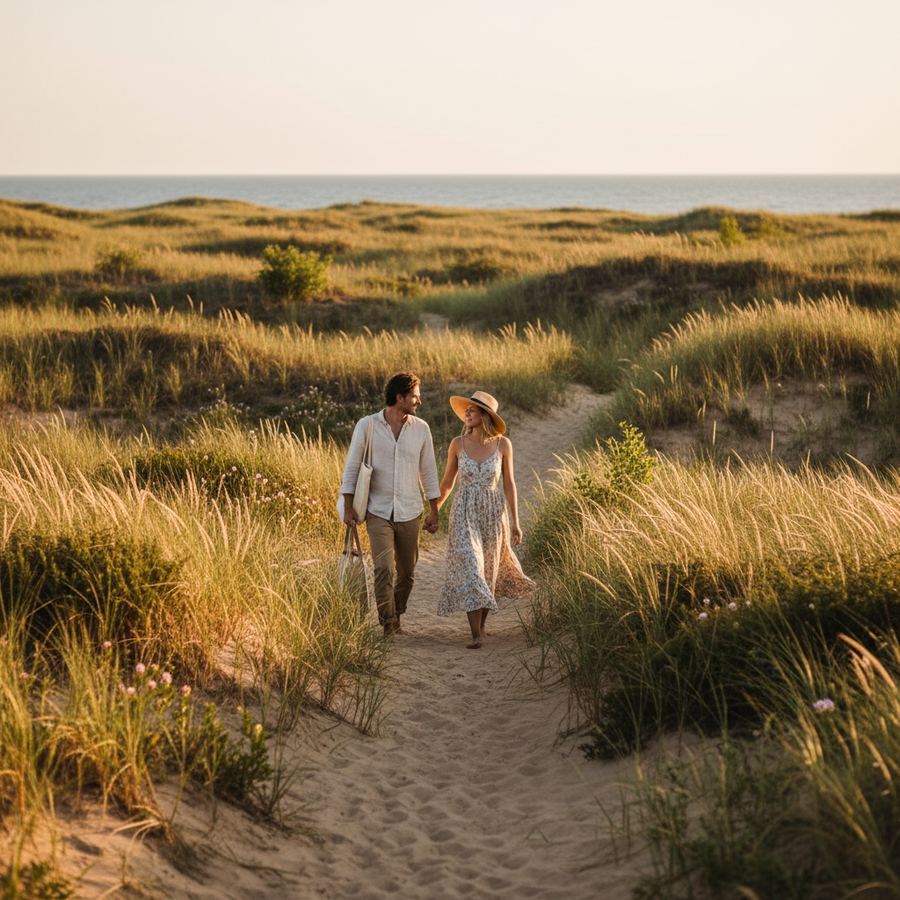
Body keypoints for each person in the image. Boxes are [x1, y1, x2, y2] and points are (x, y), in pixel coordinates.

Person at [340, 372, 440, 637]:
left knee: (407, 573)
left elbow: (428, 471)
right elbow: (352, 467)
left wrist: (434, 510)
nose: (419, 400)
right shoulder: (367, 425)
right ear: (400, 397)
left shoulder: (421, 429)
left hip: (409, 510)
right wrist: (348, 507)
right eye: (415, 395)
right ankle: (388, 623)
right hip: (377, 511)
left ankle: (396, 612)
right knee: (384, 568)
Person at [436, 391, 534, 648]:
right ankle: (476, 635)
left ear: (486, 415)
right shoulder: (457, 444)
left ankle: (481, 626)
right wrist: (434, 510)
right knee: (470, 563)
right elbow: (447, 483)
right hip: (464, 511)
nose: (467, 413)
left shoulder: (503, 445)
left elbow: (510, 484)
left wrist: (516, 522)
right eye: (466, 410)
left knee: (489, 569)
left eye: (473, 410)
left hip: (493, 512)